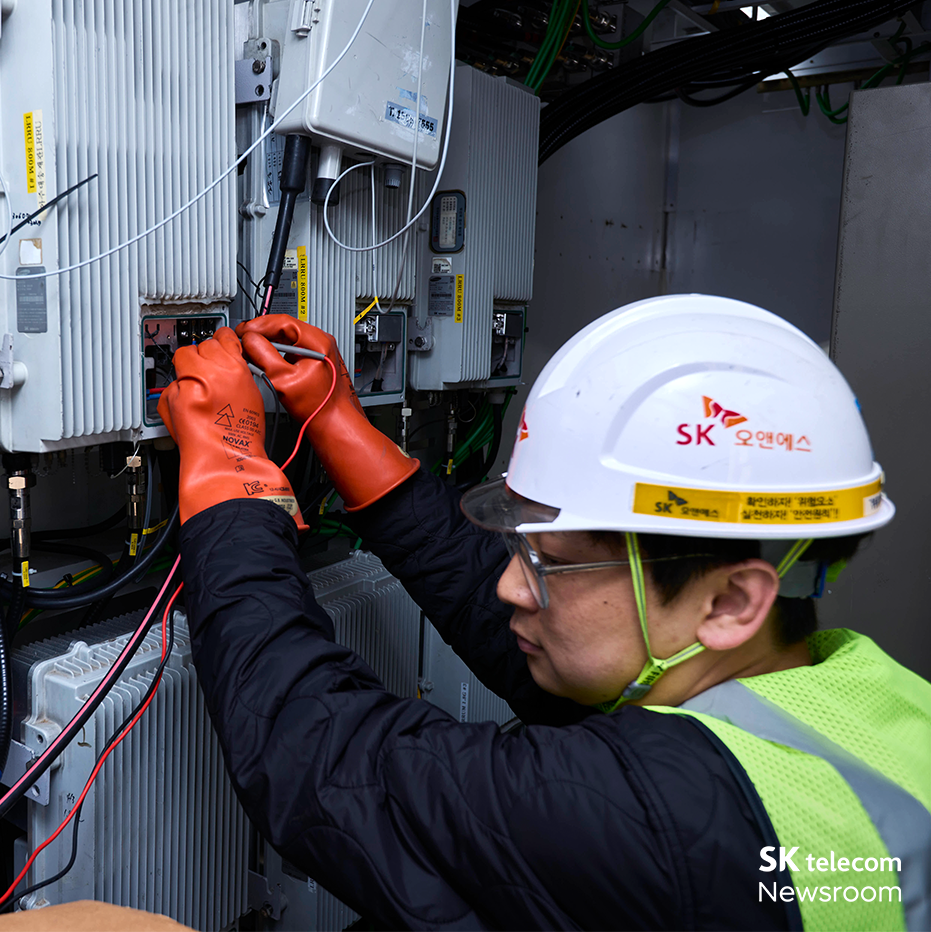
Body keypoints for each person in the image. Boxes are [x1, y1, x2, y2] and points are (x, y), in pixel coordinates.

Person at [155, 295, 931, 930]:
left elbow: (320, 756)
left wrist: (230, 476)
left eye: (547, 565)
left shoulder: (653, 819)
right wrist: (344, 431)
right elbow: (565, 648)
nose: (511, 588)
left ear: (730, 601)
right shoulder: (861, 698)